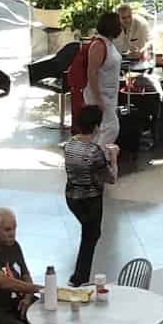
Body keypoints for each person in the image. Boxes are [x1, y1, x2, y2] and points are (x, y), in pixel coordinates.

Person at [62, 103, 116, 286]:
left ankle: (79, 276)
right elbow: (111, 178)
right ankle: (79, 278)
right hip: (90, 200)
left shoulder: (69, 145)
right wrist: (114, 158)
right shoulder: (94, 151)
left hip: (72, 197)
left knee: (89, 234)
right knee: (91, 236)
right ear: (96, 127)